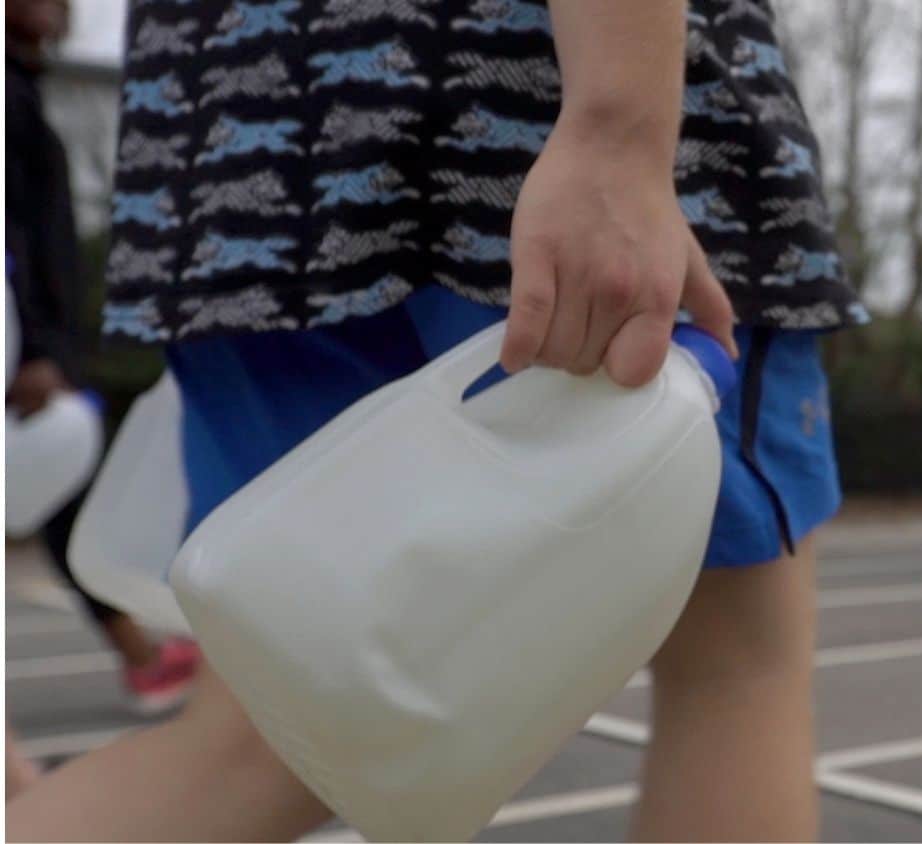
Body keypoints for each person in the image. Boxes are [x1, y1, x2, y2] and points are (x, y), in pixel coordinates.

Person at [7, 0, 865, 840]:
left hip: (240, 148)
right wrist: (618, 128)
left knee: (255, 744)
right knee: (734, 664)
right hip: (520, 108)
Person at [6, 0, 201, 715]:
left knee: (66, 504)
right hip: (27, 354)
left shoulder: (23, 90)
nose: (57, 13)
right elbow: (16, 245)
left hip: (41, 347)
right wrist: (33, 347)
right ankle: (142, 657)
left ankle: (141, 656)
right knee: (70, 504)